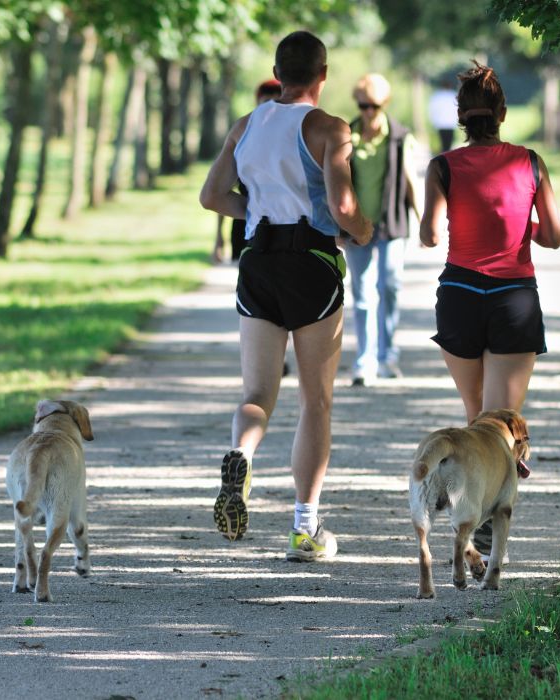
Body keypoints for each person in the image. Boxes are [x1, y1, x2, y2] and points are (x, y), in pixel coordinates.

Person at [199, 30, 373, 561]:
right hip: (312, 264)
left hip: (258, 263)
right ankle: (305, 527)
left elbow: (211, 196)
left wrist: (255, 217)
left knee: (256, 394)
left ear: (278, 73)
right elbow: (342, 209)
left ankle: (241, 454)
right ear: (323, 76)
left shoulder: (247, 125)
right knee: (315, 400)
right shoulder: (330, 128)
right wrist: (363, 232)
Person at [419, 61, 560, 559]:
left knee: (477, 417)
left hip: (459, 293)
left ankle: (470, 504)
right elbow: (555, 235)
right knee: (501, 422)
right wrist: (523, 227)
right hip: (513, 297)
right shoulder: (530, 162)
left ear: (461, 116)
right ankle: (486, 518)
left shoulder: (442, 166)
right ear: (502, 113)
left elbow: (429, 234)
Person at [342, 73, 419, 385]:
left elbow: (412, 181)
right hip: (356, 227)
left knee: (389, 286)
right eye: (362, 105)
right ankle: (365, 359)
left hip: (391, 224)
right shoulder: (346, 136)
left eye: (373, 105)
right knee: (361, 293)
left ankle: (388, 355)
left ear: (384, 104)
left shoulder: (400, 136)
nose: (368, 112)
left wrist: (424, 220)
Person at [213, 79, 283, 264]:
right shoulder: (243, 136)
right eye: (266, 102)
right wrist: (218, 237)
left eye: (276, 102)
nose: (270, 108)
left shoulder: (292, 139)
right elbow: (220, 190)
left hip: (285, 227)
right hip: (245, 225)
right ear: (257, 102)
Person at [428, 78, 458, 153]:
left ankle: (443, 157)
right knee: (448, 145)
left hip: (440, 124)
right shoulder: (454, 95)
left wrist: (433, 121)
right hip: (451, 124)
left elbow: (432, 110)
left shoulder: (436, 96)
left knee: (443, 144)